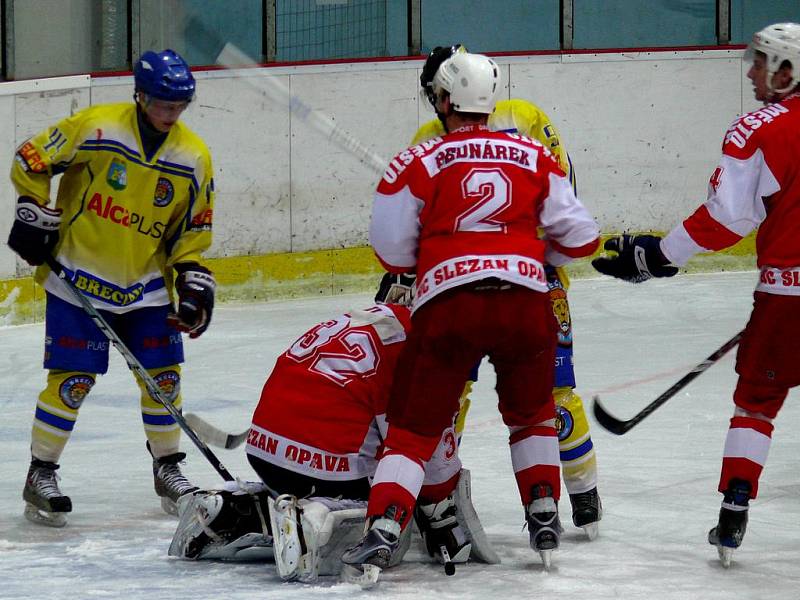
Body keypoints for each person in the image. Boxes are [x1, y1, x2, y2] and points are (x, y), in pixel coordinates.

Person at [342, 51, 600, 577]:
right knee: (532, 414)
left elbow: (391, 251)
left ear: (442, 100)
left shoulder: (417, 158)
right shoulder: (532, 152)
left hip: (449, 307)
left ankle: (386, 525)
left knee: (413, 426)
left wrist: (444, 255)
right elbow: (583, 237)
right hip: (526, 303)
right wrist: (525, 256)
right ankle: (545, 514)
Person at [591, 23, 800, 568]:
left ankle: (735, 506)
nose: (752, 72)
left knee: (756, 404)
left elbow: (729, 217)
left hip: (787, 297)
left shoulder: (760, 129)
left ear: (788, 72)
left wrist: (660, 256)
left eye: (762, 63)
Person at [7, 49, 216, 527]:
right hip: (75, 276)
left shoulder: (194, 157)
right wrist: (34, 211)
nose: (169, 113)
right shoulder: (98, 127)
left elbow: (192, 230)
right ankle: (41, 473)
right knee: (73, 382)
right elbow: (32, 158)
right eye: (161, 102)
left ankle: (167, 469)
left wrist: (191, 278)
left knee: (163, 378)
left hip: (145, 286)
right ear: (140, 95)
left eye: (178, 105)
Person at [169, 286, 498, 582]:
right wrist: (440, 518)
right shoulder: (425, 352)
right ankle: (317, 516)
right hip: (323, 461)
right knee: (390, 526)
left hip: (264, 448)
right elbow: (428, 465)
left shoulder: (370, 317)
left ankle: (233, 508)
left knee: (308, 481)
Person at [410, 44, 603, 538]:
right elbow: (564, 196)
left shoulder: (437, 136)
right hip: (526, 280)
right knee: (531, 389)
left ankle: (577, 488)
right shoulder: (515, 120)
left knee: (471, 389)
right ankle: (574, 493)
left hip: (494, 284)